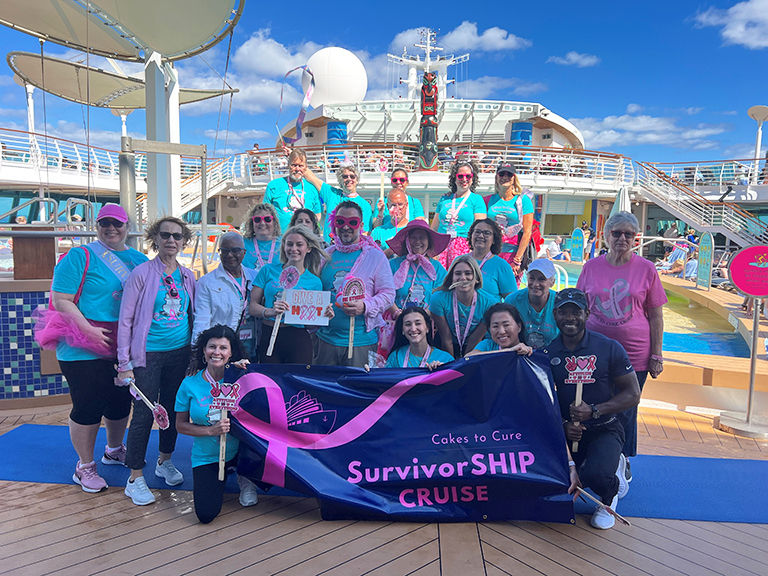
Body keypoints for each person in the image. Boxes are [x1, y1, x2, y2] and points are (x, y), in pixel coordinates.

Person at [49, 203, 147, 492]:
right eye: (106, 223)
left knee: (119, 401)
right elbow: (62, 299)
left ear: (127, 226)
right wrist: (88, 330)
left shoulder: (138, 259)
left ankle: (114, 449)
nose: (111, 228)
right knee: (88, 403)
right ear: (98, 225)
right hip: (82, 343)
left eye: (117, 223)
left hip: (121, 344)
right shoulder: (80, 256)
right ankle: (84, 465)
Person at [576, 211, 666, 483]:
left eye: (629, 234)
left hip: (636, 354)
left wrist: (657, 355)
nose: (622, 238)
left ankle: (621, 460)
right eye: (617, 233)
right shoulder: (591, 267)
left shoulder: (647, 269)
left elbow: (656, 315)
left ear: (636, 238)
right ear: (606, 235)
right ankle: (597, 456)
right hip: (595, 353)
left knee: (626, 408)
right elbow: (581, 309)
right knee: (595, 405)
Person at [117, 216, 196, 506]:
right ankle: (135, 476)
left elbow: (193, 315)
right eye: (166, 235)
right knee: (144, 413)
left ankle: (165, 461)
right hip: (147, 355)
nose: (171, 241)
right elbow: (125, 320)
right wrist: (124, 362)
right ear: (156, 239)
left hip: (179, 353)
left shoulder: (188, 276)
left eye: (177, 236)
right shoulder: (141, 274)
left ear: (184, 241)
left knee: (175, 410)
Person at [548, 288, 640, 529]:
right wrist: (564, 425)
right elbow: (542, 401)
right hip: (569, 434)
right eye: (563, 312)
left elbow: (633, 394)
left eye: (575, 312)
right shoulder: (548, 353)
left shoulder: (608, 348)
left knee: (595, 476)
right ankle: (599, 467)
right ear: (555, 314)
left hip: (604, 428)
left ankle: (609, 495)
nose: (570, 318)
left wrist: (595, 410)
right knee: (554, 479)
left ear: (587, 314)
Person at [175, 325, 259, 523]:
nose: (217, 352)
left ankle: (245, 476)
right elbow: (180, 425)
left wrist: (251, 372)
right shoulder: (189, 384)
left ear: (231, 353)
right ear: (204, 351)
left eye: (223, 348)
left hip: (242, 450)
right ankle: (220, 479)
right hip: (208, 455)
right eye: (212, 347)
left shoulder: (242, 378)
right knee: (206, 514)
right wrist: (210, 430)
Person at [315, 201, 395, 367]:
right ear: (334, 223)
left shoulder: (375, 256)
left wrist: (365, 306)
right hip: (326, 340)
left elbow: (388, 294)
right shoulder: (325, 256)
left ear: (361, 225)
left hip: (361, 342)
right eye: (340, 222)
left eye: (352, 222)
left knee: (358, 391)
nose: (345, 227)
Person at [250, 226, 325, 364]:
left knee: (297, 384)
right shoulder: (268, 270)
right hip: (269, 333)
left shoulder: (314, 282)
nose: (293, 248)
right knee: (271, 382)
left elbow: (312, 324)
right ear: (284, 246)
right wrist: (269, 311)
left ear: (308, 248)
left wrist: (324, 314)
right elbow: (252, 306)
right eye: (289, 244)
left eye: (299, 244)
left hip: (298, 338)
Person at [192, 232, 257, 358]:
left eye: (235, 250)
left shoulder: (254, 277)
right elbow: (201, 320)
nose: (230, 255)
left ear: (244, 252)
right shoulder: (207, 282)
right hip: (222, 349)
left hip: (251, 346)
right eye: (224, 251)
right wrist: (196, 352)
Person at [430, 254, 495, 358]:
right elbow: (446, 337)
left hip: (474, 346)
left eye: (468, 273)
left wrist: (464, 363)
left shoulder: (489, 303)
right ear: (452, 277)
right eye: (458, 274)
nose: (463, 278)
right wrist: (451, 365)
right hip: (446, 345)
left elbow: (476, 338)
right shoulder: (438, 299)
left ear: (476, 278)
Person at [431, 159, 487, 268]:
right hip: (441, 243)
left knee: (458, 278)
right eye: (460, 176)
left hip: (463, 244)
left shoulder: (476, 199)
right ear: (454, 178)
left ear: (473, 178)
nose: (464, 179)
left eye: (468, 176)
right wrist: (432, 249)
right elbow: (434, 228)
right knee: (439, 278)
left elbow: (481, 228)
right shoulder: (445, 198)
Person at [387, 219, 450, 314]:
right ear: (407, 240)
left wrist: (424, 317)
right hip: (396, 321)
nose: (417, 241)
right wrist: (397, 314)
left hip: (427, 322)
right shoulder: (394, 265)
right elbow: (385, 293)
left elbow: (442, 296)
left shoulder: (437, 268)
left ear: (429, 241)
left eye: (422, 238)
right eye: (413, 237)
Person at [485, 162, 534, 278]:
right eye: (502, 174)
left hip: (513, 255)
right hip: (490, 254)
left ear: (514, 178)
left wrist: (517, 260)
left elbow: (527, 232)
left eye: (509, 174)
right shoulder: (487, 200)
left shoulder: (523, 201)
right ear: (497, 177)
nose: (505, 177)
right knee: (489, 290)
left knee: (511, 293)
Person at [303, 162, 373, 243]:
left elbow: (365, 233)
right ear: (340, 180)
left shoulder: (365, 205)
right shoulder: (332, 194)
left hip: (352, 250)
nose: (349, 179)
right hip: (329, 248)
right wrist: (298, 160)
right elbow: (312, 177)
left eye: (352, 176)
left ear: (357, 181)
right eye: (345, 177)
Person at [263, 148, 322, 233]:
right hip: (279, 241)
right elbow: (264, 213)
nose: (297, 169)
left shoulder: (312, 188)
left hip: (306, 240)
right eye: (294, 165)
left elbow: (317, 214)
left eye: (301, 166)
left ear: (306, 167)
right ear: (288, 165)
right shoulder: (273, 185)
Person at [504, 258, 559, 349]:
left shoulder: (559, 302)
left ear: (552, 282)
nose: (535, 284)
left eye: (542, 279)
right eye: (532, 278)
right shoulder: (512, 301)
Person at [385, 307, 454, 368]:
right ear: (402, 330)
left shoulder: (445, 359)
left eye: (418, 323)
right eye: (408, 324)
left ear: (427, 327)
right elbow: (386, 381)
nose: (413, 329)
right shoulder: (395, 357)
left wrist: (440, 371)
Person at [467, 218, 517, 302]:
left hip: (489, 314)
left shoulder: (502, 266)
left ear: (494, 239)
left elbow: (513, 300)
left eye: (486, 233)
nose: (480, 236)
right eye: (477, 232)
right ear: (471, 235)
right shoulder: (460, 261)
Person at [467, 303, 533, 356]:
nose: (501, 331)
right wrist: (509, 351)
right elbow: (468, 357)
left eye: (506, 325)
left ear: (519, 327)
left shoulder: (528, 350)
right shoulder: (487, 345)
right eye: (495, 326)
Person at [241, 203, 282, 273]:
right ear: (252, 223)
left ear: (274, 222)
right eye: (257, 219)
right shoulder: (242, 244)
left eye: (267, 219)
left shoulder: (284, 244)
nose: (262, 223)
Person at [371, 189, 410, 254]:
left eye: (400, 204)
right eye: (393, 205)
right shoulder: (377, 232)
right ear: (387, 206)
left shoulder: (413, 229)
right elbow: (371, 258)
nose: (397, 208)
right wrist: (388, 252)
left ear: (406, 205)